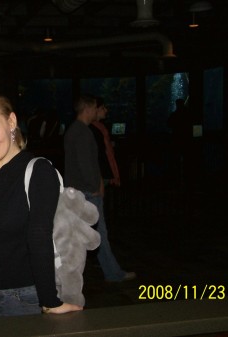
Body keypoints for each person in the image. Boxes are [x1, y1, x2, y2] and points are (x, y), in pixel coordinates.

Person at [0, 94, 82, 318]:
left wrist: (49, 301)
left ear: (12, 122)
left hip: (23, 298)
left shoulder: (38, 171)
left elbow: (39, 236)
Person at [64, 94, 135, 282]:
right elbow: (86, 164)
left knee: (76, 237)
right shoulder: (83, 132)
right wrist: (95, 187)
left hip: (77, 191)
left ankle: (67, 276)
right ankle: (113, 274)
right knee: (99, 234)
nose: (98, 111)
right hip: (86, 193)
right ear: (88, 108)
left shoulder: (75, 130)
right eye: (96, 108)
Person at [89, 97, 120, 189]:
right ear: (96, 109)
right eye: (103, 108)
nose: (106, 110)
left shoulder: (100, 128)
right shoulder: (95, 130)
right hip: (100, 171)